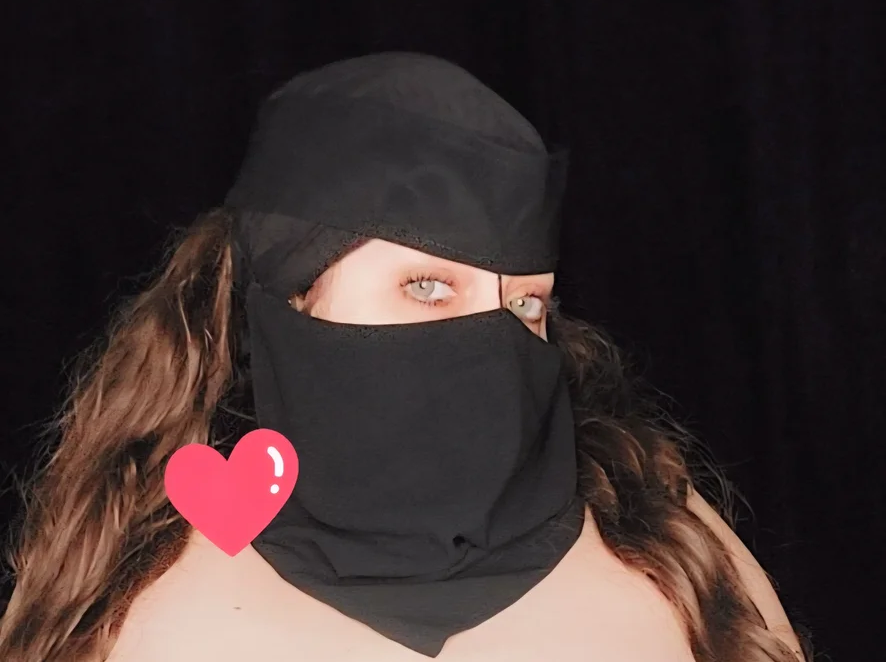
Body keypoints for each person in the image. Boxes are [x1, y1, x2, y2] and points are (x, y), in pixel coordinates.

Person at [0, 53, 810, 662]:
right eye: (428, 286)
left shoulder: (670, 545)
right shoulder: (123, 593)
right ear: (288, 296)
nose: (494, 341)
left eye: (526, 304)